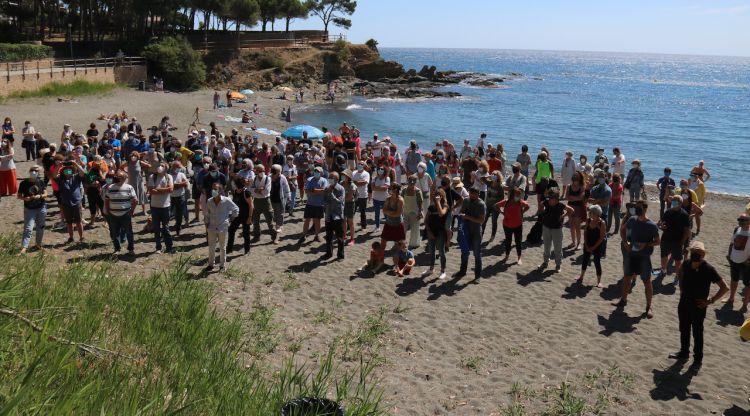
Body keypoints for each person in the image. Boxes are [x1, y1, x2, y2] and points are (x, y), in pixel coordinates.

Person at [669, 241, 729, 371]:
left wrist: (710, 300)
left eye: (698, 253)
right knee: (683, 329)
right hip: (684, 302)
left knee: (697, 332)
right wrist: (681, 289)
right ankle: (684, 353)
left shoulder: (708, 269)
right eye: (693, 252)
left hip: (698, 305)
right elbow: (680, 273)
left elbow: (725, 287)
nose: (695, 254)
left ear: (703, 254)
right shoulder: (686, 263)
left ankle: (697, 361)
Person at [615, 200, 660, 318]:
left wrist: (646, 244)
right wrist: (625, 242)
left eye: (639, 207)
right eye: (636, 207)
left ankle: (649, 306)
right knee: (627, 277)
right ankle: (623, 300)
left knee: (647, 281)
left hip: (644, 257)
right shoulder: (632, 220)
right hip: (632, 255)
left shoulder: (651, 225)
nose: (637, 209)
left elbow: (657, 241)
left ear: (645, 209)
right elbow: (623, 229)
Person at [204, 183, 239, 271]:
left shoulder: (226, 200)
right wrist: (207, 224)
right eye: (212, 189)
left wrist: (231, 219)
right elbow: (207, 214)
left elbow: (236, 209)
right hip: (211, 227)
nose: (213, 191)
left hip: (223, 227)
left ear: (220, 191)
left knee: (222, 247)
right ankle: (211, 264)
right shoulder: (209, 201)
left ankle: (222, 265)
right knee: (211, 246)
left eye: (215, 189)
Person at [656, 195, 691, 279]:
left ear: (680, 203)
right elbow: (661, 223)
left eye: (676, 201)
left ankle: (678, 275)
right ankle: (663, 270)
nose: (674, 203)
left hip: (677, 240)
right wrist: (661, 226)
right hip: (666, 238)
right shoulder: (668, 212)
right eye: (673, 201)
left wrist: (682, 241)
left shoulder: (684, 214)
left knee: (677, 259)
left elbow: (687, 230)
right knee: (663, 256)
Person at [103, 170, 137, 254]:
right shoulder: (110, 187)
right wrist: (108, 210)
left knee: (129, 232)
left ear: (124, 178)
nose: (116, 178)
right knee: (115, 233)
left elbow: (135, 200)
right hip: (113, 214)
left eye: (119, 177)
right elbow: (106, 200)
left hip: (125, 214)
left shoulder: (129, 187)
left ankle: (131, 249)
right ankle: (117, 249)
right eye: (116, 176)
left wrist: (132, 211)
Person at [539, 190, 574, 272]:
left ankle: (558, 265)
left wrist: (563, 216)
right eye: (551, 197)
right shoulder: (546, 203)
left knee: (557, 247)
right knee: (546, 246)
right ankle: (545, 262)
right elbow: (541, 204)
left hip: (557, 229)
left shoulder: (560, 205)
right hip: (546, 227)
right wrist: (542, 211)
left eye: (553, 197)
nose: (551, 199)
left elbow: (571, 210)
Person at [456, 187, 486, 280]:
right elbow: (461, 212)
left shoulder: (481, 204)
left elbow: (481, 220)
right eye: (470, 194)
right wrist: (462, 215)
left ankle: (478, 276)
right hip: (466, 231)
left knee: (477, 254)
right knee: (464, 252)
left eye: (474, 195)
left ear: (478, 195)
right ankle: (462, 271)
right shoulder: (466, 201)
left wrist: (468, 217)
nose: (472, 196)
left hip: (476, 231)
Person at [495, 188, 530, 265]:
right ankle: (507, 256)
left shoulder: (520, 202)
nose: (518, 196)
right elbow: (496, 205)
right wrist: (502, 212)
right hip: (507, 225)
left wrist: (522, 212)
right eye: (516, 195)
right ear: (512, 195)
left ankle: (519, 257)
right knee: (508, 241)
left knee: (518, 241)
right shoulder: (506, 202)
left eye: (519, 195)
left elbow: (528, 206)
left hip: (518, 225)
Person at [17, 165, 47, 253]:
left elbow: (46, 194)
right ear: (29, 171)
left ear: (38, 173)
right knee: (28, 227)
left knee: (40, 227)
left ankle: (38, 244)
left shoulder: (41, 182)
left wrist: (40, 196)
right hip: (29, 208)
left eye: (36, 171)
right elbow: (19, 196)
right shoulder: (24, 183)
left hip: (41, 207)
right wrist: (24, 198)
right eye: (32, 170)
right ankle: (24, 247)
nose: (34, 172)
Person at [55, 159, 86, 243]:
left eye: (69, 169)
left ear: (72, 171)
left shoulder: (76, 177)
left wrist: (75, 164)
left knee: (79, 221)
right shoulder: (60, 179)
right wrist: (59, 166)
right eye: (66, 170)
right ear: (63, 171)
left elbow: (83, 172)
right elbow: (54, 175)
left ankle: (81, 237)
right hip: (66, 203)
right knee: (69, 222)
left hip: (76, 202)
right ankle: (71, 237)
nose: (68, 171)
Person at [147, 162, 174, 254]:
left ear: (166, 168)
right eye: (159, 165)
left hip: (165, 206)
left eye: (162, 166)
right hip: (154, 206)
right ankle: (158, 247)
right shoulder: (152, 177)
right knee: (156, 228)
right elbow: (151, 191)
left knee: (166, 228)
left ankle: (169, 246)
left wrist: (157, 189)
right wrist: (164, 190)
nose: (160, 167)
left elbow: (171, 189)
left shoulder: (168, 177)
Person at [577, 204, 606, 288]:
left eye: (592, 212)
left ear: (597, 213)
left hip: (597, 245)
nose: (590, 213)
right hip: (588, 244)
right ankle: (581, 276)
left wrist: (593, 247)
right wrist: (586, 244)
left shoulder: (602, 223)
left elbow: (601, 238)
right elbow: (585, 232)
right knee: (585, 260)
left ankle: (598, 282)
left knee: (597, 262)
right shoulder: (588, 220)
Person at [423, 188, 449, 279]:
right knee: (431, 251)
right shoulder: (431, 207)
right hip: (431, 231)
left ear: (442, 196)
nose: (436, 197)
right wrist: (429, 231)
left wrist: (438, 202)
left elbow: (441, 214)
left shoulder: (445, 205)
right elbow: (425, 220)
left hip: (440, 232)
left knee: (441, 252)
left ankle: (443, 271)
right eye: (435, 195)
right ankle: (431, 268)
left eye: (438, 195)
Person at [727, 214, 750, 312]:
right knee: (734, 280)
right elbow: (732, 243)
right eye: (739, 219)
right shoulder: (737, 229)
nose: (740, 221)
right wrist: (729, 255)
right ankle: (731, 298)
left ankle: (745, 304)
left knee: (747, 284)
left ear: (748, 222)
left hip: (746, 263)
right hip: (734, 259)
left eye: (742, 220)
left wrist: (748, 260)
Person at [299, 166, 328, 243]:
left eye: (318, 171)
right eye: (315, 171)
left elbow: (324, 190)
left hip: (319, 204)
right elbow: (307, 191)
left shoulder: (324, 180)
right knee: (307, 220)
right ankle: (304, 235)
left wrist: (313, 190)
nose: (316, 173)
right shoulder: (309, 179)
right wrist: (317, 191)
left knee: (317, 221)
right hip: (310, 204)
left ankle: (317, 235)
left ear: (321, 173)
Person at [249, 164, 277, 243]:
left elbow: (266, 192)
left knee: (269, 220)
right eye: (260, 171)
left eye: (263, 171)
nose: (262, 172)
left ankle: (274, 236)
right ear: (256, 171)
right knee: (255, 220)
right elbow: (251, 190)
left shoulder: (268, 179)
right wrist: (259, 190)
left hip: (266, 201)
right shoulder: (254, 179)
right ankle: (257, 236)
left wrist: (257, 190)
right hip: (256, 201)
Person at [323, 171, 346, 259]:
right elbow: (324, 200)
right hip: (328, 215)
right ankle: (329, 253)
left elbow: (339, 202)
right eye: (329, 178)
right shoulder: (326, 188)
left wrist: (331, 195)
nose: (330, 180)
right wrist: (326, 204)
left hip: (337, 216)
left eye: (331, 178)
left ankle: (340, 255)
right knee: (328, 237)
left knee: (339, 237)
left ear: (336, 179)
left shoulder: (341, 189)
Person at [381, 184, 406, 254]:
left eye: (390, 188)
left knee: (400, 244)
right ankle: (381, 258)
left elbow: (398, 214)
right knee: (383, 241)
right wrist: (392, 212)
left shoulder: (400, 200)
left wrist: (389, 212)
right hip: (388, 223)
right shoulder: (388, 199)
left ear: (395, 190)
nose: (389, 190)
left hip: (398, 224)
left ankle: (399, 261)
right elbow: (384, 210)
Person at [566, 172, 586, 250]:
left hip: (578, 208)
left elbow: (581, 198)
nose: (575, 177)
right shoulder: (569, 186)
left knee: (577, 227)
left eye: (577, 176)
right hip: (570, 207)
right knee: (571, 226)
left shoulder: (582, 187)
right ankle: (573, 242)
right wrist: (576, 197)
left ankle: (578, 243)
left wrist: (572, 197)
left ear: (580, 177)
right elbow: (567, 197)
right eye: (574, 176)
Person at [402, 176, 423, 249]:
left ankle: (414, 244)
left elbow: (420, 202)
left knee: (415, 229)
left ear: (416, 181)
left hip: (415, 212)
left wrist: (420, 212)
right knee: (402, 228)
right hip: (405, 212)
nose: (412, 182)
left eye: (414, 181)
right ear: (408, 181)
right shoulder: (404, 190)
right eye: (410, 180)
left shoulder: (418, 191)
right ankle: (402, 243)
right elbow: (401, 200)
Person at [484, 170, 505, 241]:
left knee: (494, 221)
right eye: (492, 174)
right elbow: (481, 178)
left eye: (494, 175)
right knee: (484, 220)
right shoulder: (489, 183)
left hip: (495, 207)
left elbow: (502, 198)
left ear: (498, 177)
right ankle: (481, 233)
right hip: (488, 205)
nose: (493, 175)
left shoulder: (500, 187)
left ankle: (493, 235)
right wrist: (488, 176)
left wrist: (495, 199)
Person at [270, 164, 291, 233]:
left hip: (280, 198)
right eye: (273, 171)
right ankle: (275, 223)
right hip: (271, 198)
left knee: (280, 213)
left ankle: (278, 226)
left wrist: (289, 196)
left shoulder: (282, 177)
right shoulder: (269, 177)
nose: (274, 173)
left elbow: (286, 187)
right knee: (273, 213)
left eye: (277, 172)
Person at [340, 170, 357, 245]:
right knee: (343, 220)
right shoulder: (341, 183)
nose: (343, 176)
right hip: (343, 204)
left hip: (350, 204)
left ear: (348, 177)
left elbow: (349, 197)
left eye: (344, 175)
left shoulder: (352, 185)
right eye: (342, 175)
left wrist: (339, 198)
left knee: (350, 222)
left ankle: (352, 238)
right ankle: (344, 235)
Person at [371, 166, 391, 232]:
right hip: (376, 199)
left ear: (384, 170)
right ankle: (377, 227)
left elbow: (385, 188)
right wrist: (380, 188)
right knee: (377, 214)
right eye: (379, 169)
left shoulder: (387, 178)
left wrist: (377, 187)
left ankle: (388, 226)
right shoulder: (374, 178)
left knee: (386, 214)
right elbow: (372, 188)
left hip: (385, 199)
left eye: (382, 169)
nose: (380, 170)